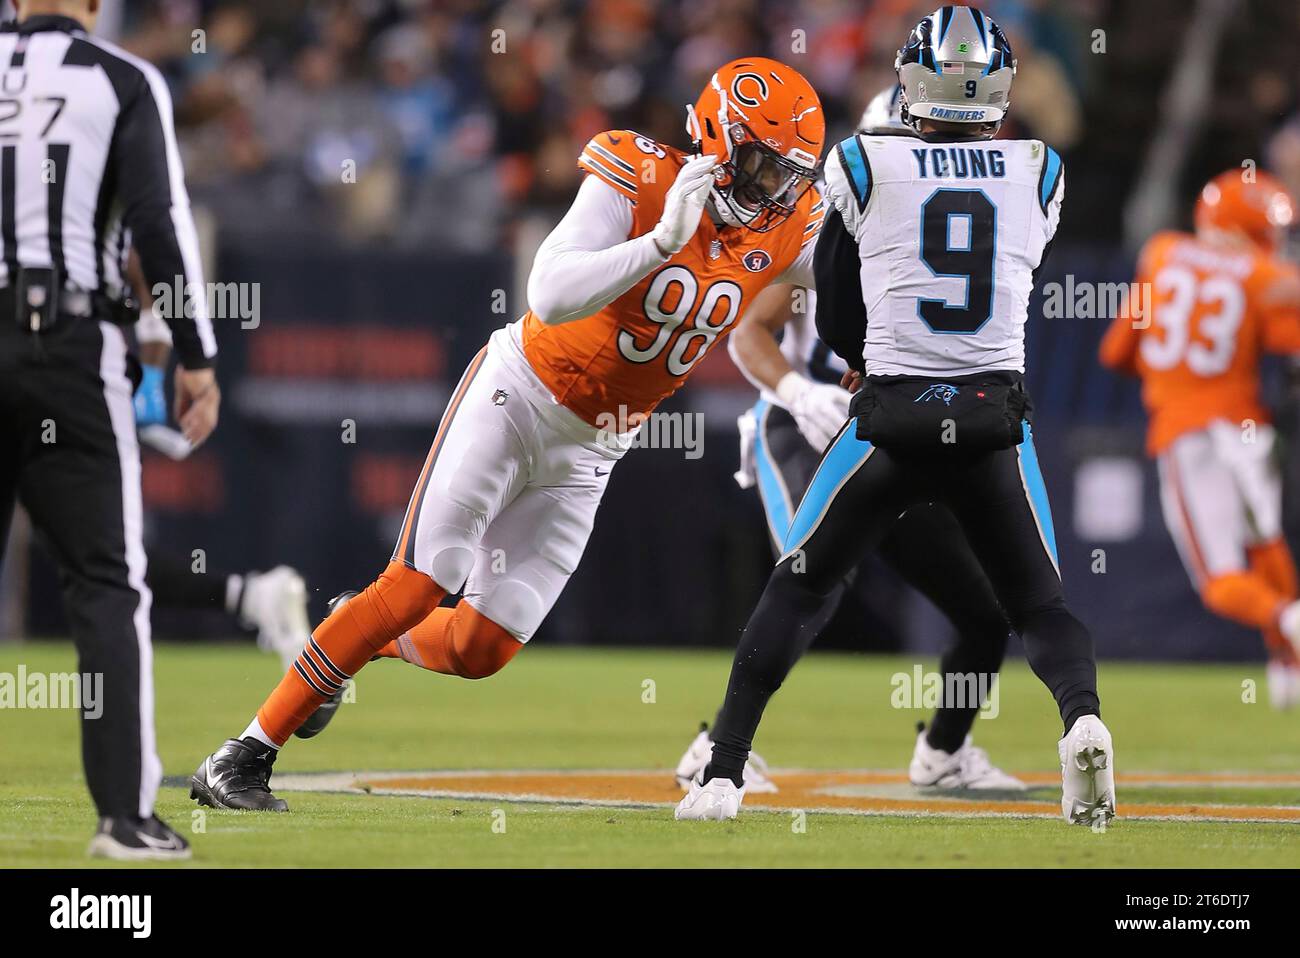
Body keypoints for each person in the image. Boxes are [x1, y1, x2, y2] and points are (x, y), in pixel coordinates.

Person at [190, 57, 831, 811]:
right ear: (720, 142)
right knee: (422, 579)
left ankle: (346, 635)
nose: (775, 190)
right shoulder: (639, 174)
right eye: (761, 166)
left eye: (789, 174)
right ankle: (241, 757)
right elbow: (550, 293)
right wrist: (660, 243)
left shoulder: (790, 221)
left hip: (594, 449)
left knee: (480, 648)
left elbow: (851, 279)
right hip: (519, 395)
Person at [675, 5, 1115, 829]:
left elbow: (839, 302)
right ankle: (1083, 720)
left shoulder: (860, 167)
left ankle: (723, 772)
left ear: (909, 84)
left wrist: (857, 359)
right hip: (993, 421)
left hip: (887, 414)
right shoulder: (1040, 170)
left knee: (800, 581)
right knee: (1040, 605)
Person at [673, 85, 1023, 796]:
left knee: (986, 608)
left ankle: (944, 752)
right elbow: (748, 331)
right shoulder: (829, 219)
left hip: (892, 434)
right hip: (808, 428)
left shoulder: (954, 227)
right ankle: (714, 750)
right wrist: (800, 395)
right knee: (814, 580)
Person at [0, 0, 219, 859]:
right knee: (105, 584)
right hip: (66, 345)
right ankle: (124, 818)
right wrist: (193, 352)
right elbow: (158, 225)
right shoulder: (122, 79)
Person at [1099, 169, 1300, 706]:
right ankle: (1288, 667)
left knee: (1220, 580)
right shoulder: (1262, 274)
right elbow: (1286, 336)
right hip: (1248, 430)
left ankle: (1289, 625)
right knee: (1267, 544)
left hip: (1189, 432)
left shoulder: (1162, 252)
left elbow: (1116, 352)